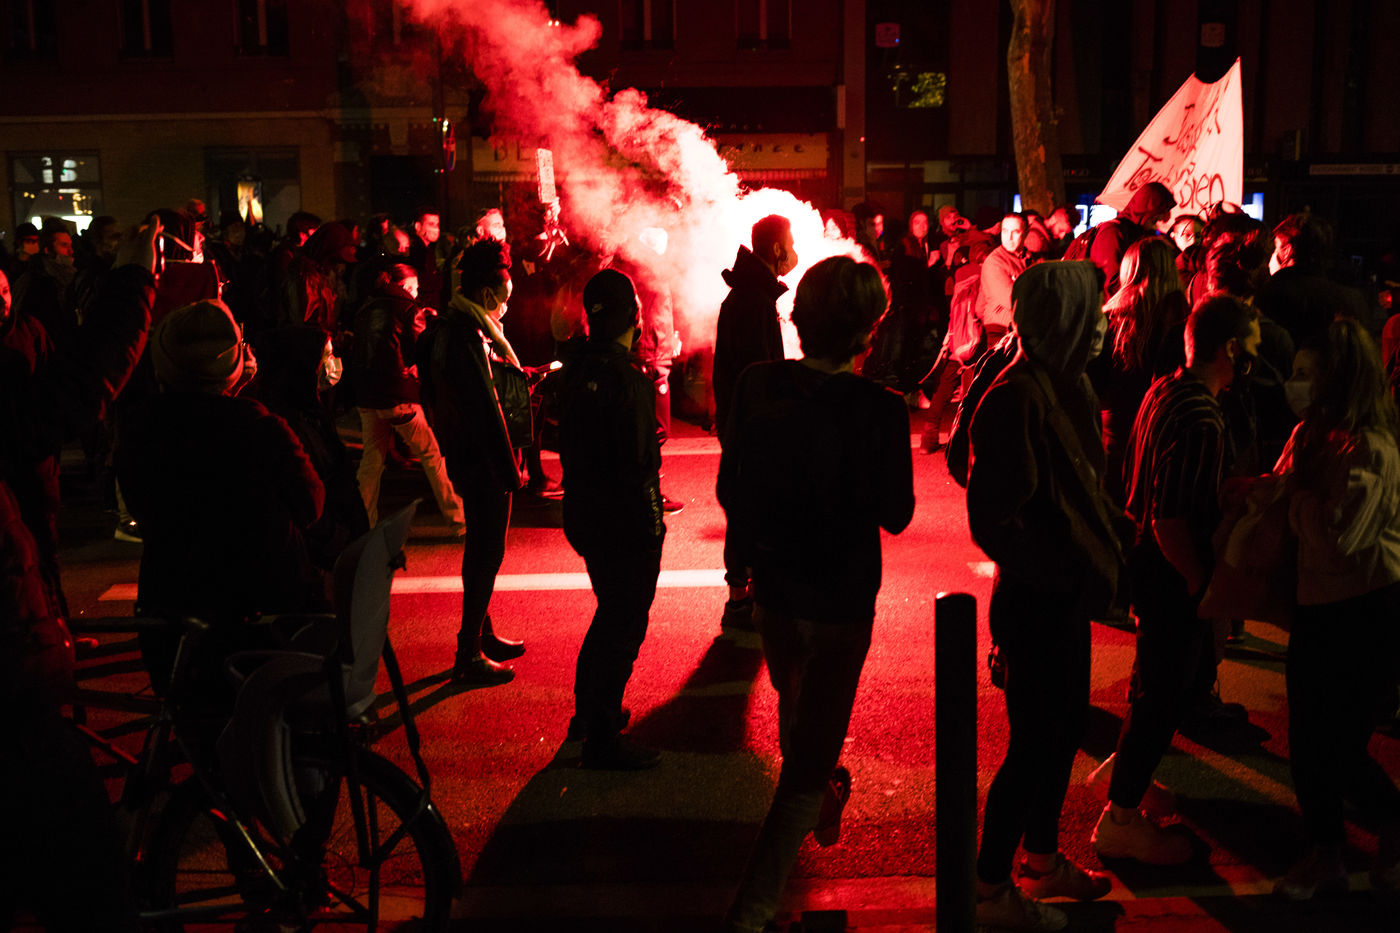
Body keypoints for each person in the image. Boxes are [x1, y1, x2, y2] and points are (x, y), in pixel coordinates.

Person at [718, 255, 914, 933]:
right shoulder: (879, 409)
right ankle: (751, 911)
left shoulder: (757, 383)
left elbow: (730, 486)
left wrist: (753, 551)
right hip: (839, 598)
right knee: (802, 767)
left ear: (799, 316)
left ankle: (823, 790)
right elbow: (897, 513)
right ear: (868, 329)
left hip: (775, 589)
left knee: (798, 711)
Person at [0, 220, 157, 933]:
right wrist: (133, 281)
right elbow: (73, 392)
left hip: (22, 646)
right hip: (11, 684)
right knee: (94, 885)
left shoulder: (20, 345)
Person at [967, 260, 1124, 931]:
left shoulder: (1063, 382)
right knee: (1033, 743)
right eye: (1090, 317)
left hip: (1062, 591)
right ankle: (988, 885)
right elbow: (994, 519)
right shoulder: (1019, 397)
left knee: (1060, 734)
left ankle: (1040, 857)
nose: (1100, 328)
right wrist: (1059, 569)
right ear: (1062, 322)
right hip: (1037, 600)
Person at [1091, 294, 1261, 866]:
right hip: (1170, 573)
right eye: (1252, 346)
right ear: (1230, 349)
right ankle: (1119, 818)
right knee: (1167, 694)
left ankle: (1127, 774)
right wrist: (1199, 586)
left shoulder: (1164, 390)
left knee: (1154, 684)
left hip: (1143, 561)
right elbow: (1171, 520)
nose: (1256, 357)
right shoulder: (1202, 419)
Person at [116, 298, 328, 695]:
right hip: (266, 614)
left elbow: (144, 509)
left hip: (174, 611)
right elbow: (311, 505)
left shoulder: (139, 431)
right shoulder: (261, 427)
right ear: (235, 363)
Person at [1271, 320, 1400, 900]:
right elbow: (1282, 488)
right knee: (1306, 740)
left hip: (1367, 611)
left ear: (1338, 379)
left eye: (1306, 373)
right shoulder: (1309, 434)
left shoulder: (1371, 447)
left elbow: (1341, 536)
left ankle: (1393, 825)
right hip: (1317, 606)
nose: (1294, 383)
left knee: (1341, 746)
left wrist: (1294, 500)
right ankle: (1326, 854)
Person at [558, 269, 667, 770]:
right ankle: (601, 737)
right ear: (633, 318)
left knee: (608, 614)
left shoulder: (575, 370)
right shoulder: (628, 380)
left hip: (584, 513)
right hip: (624, 522)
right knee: (623, 624)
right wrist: (654, 527)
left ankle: (589, 714)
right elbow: (642, 469)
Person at [417, 238, 528, 686]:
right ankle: (469, 653)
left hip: (467, 455)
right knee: (487, 551)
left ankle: (482, 634)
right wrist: (510, 472)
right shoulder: (468, 337)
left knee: (480, 549)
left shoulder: (452, 327)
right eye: (504, 295)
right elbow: (485, 409)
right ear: (486, 293)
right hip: (483, 461)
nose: (506, 304)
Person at [712, 214, 799, 631]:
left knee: (749, 507)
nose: (794, 252)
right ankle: (741, 601)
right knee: (751, 509)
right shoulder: (753, 301)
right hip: (752, 428)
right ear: (777, 248)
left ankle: (745, 597)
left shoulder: (750, 295)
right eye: (790, 243)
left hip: (745, 424)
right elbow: (759, 375)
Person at [352, 262, 465, 531]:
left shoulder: (366, 308)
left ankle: (362, 523)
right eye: (414, 287)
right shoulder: (408, 309)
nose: (416, 292)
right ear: (402, 285)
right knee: (432, 455)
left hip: (367, 395)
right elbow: (421, 351)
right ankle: (457, 518)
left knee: (371, 462)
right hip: (398, 395)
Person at [1088, 237, 1189, 503]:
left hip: (1116, 419)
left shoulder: (1112, 313)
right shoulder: (1181, 316)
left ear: (1128, 269)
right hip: (1160, 418)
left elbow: (1095, 375)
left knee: (1113, 495)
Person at [1255, 212, 1372, 346]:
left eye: (1275, 247)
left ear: (1287, 250)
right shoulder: (1354, 300)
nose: (1271, 255)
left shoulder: (1270, 297)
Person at [1077, 182, 1175, 297]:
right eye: (1160, 212)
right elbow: (1110, 282)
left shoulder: (1140, 233)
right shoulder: (1113, 231)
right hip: (1115, 305)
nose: (1163, 218)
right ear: (1147, 207)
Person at [978, 213, 1030, 344]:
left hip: (1022, 330)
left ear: (1025, 233)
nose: (1009, 237)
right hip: (1001, 332)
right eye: (1005, 231)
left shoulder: (1030, 258)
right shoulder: (995, 262)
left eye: (1015, 232)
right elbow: (1013, 300)